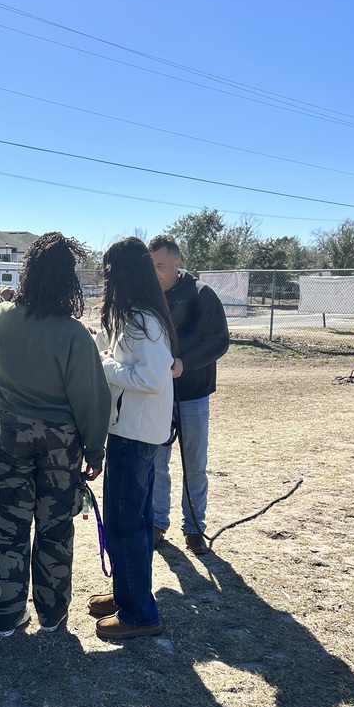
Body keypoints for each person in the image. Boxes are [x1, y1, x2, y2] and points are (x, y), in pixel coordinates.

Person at [0, 232, 110, 636]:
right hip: (60, 442)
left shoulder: (0, 319)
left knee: (9, 523)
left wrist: (0, 298)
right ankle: (52, 614)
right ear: (67, 280)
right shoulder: (74, 334)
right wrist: (95, 450)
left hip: (9, 435)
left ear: (28, 273)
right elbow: (91, 396)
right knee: (55, 528)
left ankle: (8, 613)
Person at [89, 236, 178, 639]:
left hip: (134, 436)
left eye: (109, 273)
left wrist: (106, 365)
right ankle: (129, 594)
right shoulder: (137, 316)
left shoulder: (143, 320)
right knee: (133, 523)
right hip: (135, 432)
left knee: (126, 525)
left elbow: (151, 378)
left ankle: (139, 614)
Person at [148, 235, 229, 555]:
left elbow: (219, 341)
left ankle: (194, 527)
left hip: (193, 395)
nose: (155, 272)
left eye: (160, 265)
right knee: (158, 463)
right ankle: (158, 522)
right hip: (159, 394)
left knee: (194, 465)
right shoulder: (150, 296)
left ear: (177, 262)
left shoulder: (201, 294)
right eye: (151, 266)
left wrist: (185, 364)